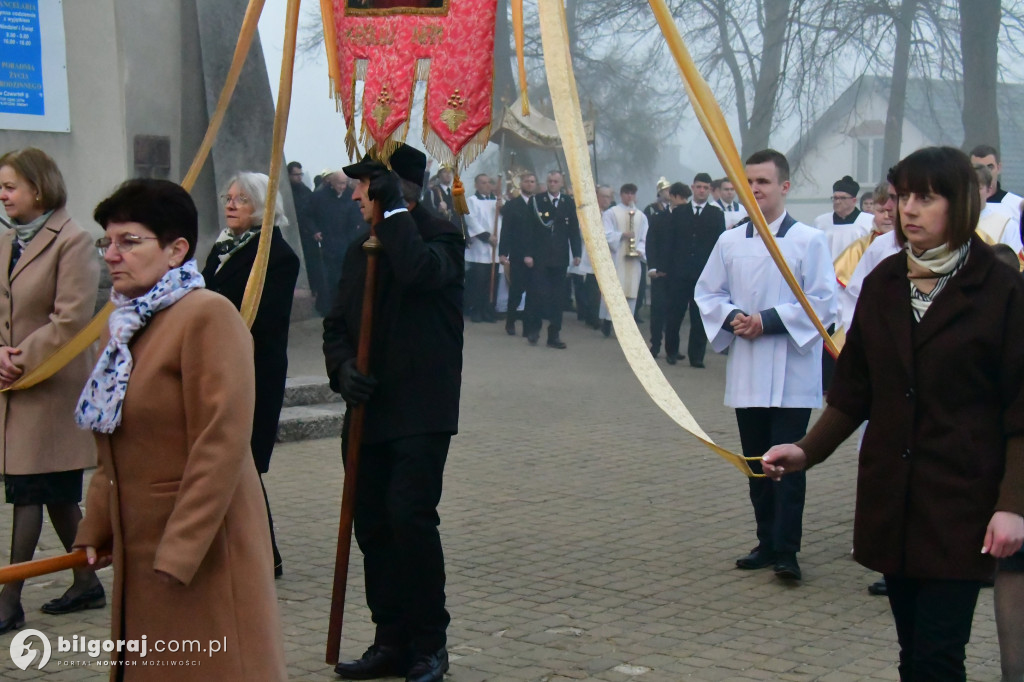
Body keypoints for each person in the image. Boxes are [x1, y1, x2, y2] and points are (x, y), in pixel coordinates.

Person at [762, 146, 1024, 681]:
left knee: (938, 656)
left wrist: (1013, 505)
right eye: (903, 196)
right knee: (912, 655)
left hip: (961, 500)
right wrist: (807, 450)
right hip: (893, 496)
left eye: (926, 198)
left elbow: (1022, 410)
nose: (908, 210)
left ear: (961, 205)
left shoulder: (999, 290)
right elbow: (856, 389)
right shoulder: (883, 283)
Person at [75, 178, 287, 678]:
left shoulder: (206, 316)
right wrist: (98, 522)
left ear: (176, 250)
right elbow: (115, 441)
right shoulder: (126, 324)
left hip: (203, 548)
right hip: (141, 543)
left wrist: (181, 547)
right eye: (107, 241)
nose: (112, 254)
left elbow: (222, 441)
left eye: (129, 242)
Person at [325, 143, 462, 682]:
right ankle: (391, 637)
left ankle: (430, 643)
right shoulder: (360, 245)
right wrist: (341, 372)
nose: (357, 194)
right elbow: (337, 324)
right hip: (368, 410)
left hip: (421, 409)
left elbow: (419, 274)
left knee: (409, 519)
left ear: (393, 188)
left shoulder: (441, 236)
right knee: (373, 526)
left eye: (367, 185)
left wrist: (399, 213)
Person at [695, 149, 837, 582]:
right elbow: (708, 294)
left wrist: (768, 321)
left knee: (788, 463)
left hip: (792, 371)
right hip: (749, 370)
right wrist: (735, 317)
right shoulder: (730, 241)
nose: (755, 189)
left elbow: (823, 302)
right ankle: (766, 540)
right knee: (757, 462)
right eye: (749, 182)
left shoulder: (808, 240)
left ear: (784, 187)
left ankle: (788, 550)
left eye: (764, 182)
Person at [0, 148, 104, 632]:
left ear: (38, 189)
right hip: (16, 387)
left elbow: (72, 318)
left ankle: (9, 598)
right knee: (55, 493)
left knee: (29, 491)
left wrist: (16, 358)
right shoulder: (6, 243)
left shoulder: (74, 240)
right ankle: (86, 582)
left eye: (10, 186)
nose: (2, 195)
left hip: (53, 387)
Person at [201, 171, 300, 580]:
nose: (230, 204)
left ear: (262, 206)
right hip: (214, 364)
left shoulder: (276, 256)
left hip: (252, 368)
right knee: (228, 459)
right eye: (229, 196)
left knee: (244, 459)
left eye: (241, 199)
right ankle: (248, 550)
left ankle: (264, 553)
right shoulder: (222, 247)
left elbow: (265, 319)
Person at [661, 173, 724, 367]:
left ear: (710, 190)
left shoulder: (716, 214)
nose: (702, 191)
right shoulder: (679, 213)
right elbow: (669, 243)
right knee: (675, 314)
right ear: (693, 188)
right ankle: (671, 351)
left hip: (704, 275)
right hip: (679, 274)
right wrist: (666, 269)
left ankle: (697, 356)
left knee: (699, 318)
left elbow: (719, 246)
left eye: (706, 187)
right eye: (699, 187)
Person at [523, 171, 581, 348]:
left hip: (560, 257)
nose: (552, 184)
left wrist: (577, 253)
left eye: (556, 181)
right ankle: (534, 329)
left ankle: (554, 335)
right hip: (540, 256)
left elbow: (573, 229)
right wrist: (528, 253)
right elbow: (529, 230)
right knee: (538, 294)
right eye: (550, 181)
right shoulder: (536, 201)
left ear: (561, 183)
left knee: (558, 298)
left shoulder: (568, 202)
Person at [598, 183, 648, 337]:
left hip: (633, 261)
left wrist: (640, 250)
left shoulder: (641, 216)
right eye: (627, 193)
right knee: (614, 291)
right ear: (621, 194)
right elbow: (605, 234)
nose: (630, 196)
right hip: (616, 257)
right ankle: (607, 321)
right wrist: (621, 235)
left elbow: (646, 237)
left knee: (631, 291)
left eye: (632, 193)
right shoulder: (611, 213)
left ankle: (627, 325)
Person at [311, 170, 366, 310]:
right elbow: (307, 216)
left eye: (345, 183)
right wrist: (315, 230)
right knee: (331, 278)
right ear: (331, 182)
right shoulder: (319, 197)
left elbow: (357, 217)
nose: (343, 186)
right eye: (340, 183)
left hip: (347, 242)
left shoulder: (351, 196)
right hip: (327, 243)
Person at [646, 182, 690, 357]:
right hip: (660, 273)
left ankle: (672, 348)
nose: (681, 202)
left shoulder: (689, 220)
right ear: (672, 197)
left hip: (679, 275)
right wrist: (654, 268)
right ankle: (655, 345)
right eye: (679, 198)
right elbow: (651, 244)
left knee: (676, 313)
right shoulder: (659, 218)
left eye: (685, 199)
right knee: (657, 311)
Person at [289, 160, 329, 313]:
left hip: (309, 236)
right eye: (296, 175)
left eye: (300, 174)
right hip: (297, 235)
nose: (299, 178)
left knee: (314, 266)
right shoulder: (289, 193)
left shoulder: (305, 191)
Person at [499, 172, 537, 336]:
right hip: (517, 253)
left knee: (533, 291)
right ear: (521, 184)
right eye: (527, 181)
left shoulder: (539, 204)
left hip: (536, 255)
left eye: (532, 182)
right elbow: (506, 230)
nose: (530, 184)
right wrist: (502, 252)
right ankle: (511, 321)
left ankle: (528, 326)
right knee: (516, 290)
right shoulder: (512, 205)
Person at [814, 175, 874, 261]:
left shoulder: (869, 222)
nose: (838, 201)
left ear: (854, 201)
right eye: (835, 198)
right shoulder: (821, 222)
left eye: (842, 198)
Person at [465, 174, 498, 323]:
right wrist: (486, 236)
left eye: (488, 183)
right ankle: (476, 310)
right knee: (478, 281)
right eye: (483, 183)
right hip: (480, 247)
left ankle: (488, 310)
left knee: (492, 281)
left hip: (495, 247)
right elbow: (471, 220)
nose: (486, 185)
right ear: (476, 185)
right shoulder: (471, 201)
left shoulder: (497, 202)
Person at [970, 144, 1023, 219]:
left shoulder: (1017, 205)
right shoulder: (960, 206)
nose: (985, 173)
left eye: (990, 167)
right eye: (978, 168)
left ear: (999, 168)